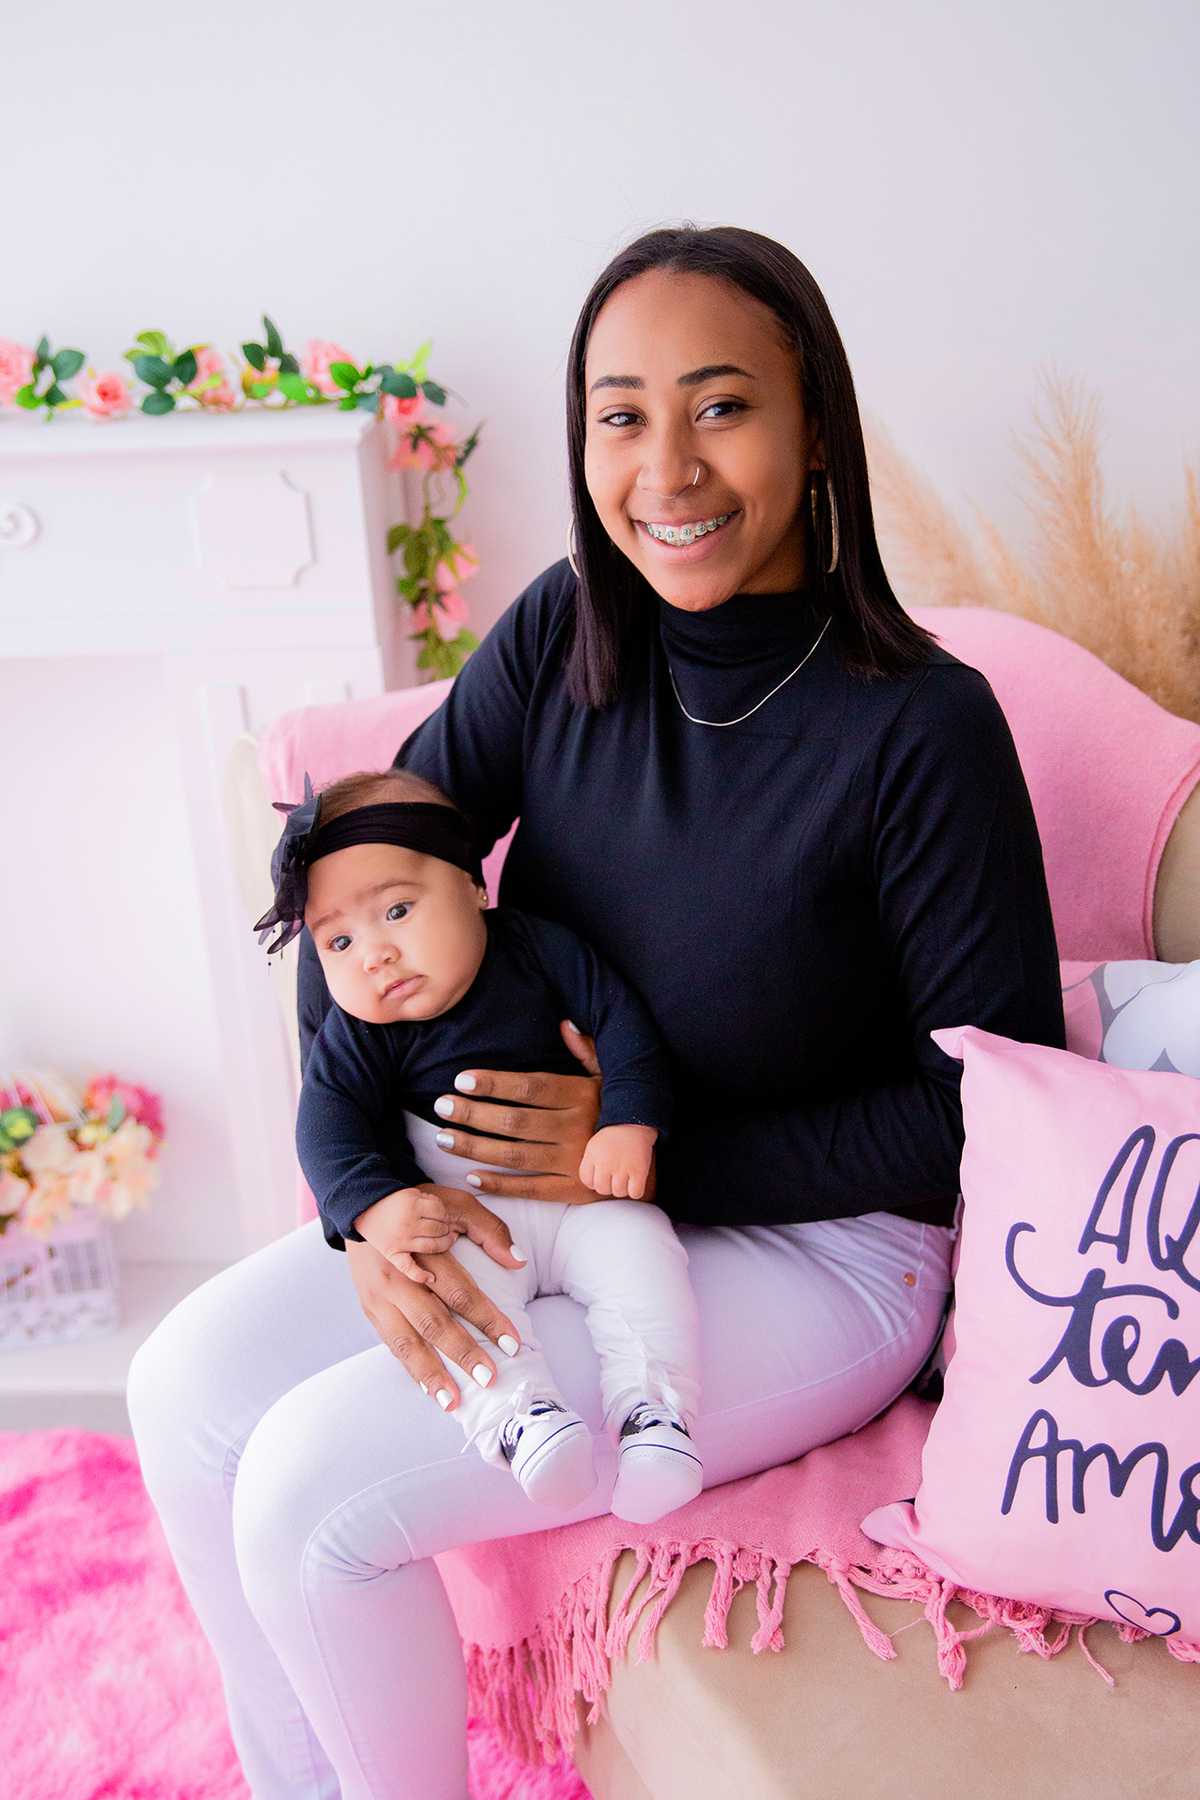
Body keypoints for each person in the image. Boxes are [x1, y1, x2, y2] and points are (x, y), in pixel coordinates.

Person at [128, 225, 1065, 1800]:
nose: (669, 468)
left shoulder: (922, 725)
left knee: (312, 1487)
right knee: (183, 1388)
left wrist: (643, 1155)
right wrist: (374, 1208)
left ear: (814, 423)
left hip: (824, 1248)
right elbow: (361, 868)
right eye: (622, 415)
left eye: (722, 407)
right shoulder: (572, 628)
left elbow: (986, 1106)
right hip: (519, 1193)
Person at [268, 764, 702, 1522]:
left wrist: (630, 1121)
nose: (373, 953)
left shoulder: (538, 950)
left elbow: (624, 1025)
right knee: (443, 1295)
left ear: (473, 884)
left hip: (583, 1198)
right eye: (338, 940)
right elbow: (325, 1123)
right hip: (463, 1219)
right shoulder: (361, 1034)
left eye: (397, 909)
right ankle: (519, 1420)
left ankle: (656, 1414)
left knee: (645, 1254)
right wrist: (370, 1209)